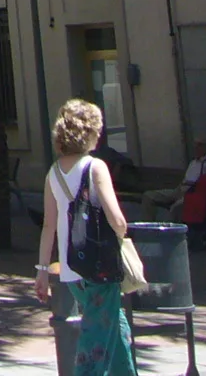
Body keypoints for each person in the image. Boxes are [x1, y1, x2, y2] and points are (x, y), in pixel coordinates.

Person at [34, 98, 137, 376]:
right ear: (90, 132)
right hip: (101, 266)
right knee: (96, 339)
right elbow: (117, 219)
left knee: (117, 331)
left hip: (72, 269)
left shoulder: (53, 173)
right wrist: (122, 232)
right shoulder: (95, 167)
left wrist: (43, 272)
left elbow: (48, 226)